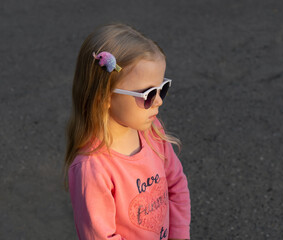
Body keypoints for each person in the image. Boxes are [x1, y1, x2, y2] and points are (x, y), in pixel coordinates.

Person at [63, 23, 191, 240]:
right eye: (149, 94)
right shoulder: (92, 168)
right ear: (104, 98)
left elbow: (176, 186)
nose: (159, 101)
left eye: (163, 88)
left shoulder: (153, 132)